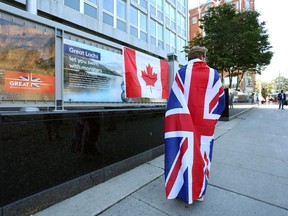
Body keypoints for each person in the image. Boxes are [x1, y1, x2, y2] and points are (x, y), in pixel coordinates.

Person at [164, 46, 225, 204]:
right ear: (202, 56)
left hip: (184, 126)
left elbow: (174, 101)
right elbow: (221, 100)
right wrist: (212, 121)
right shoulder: (214, 74)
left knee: (184, 155)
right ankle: (199, 192)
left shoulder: (181, 73)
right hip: (205, 127)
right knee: (203, 157)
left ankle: (182, 190)